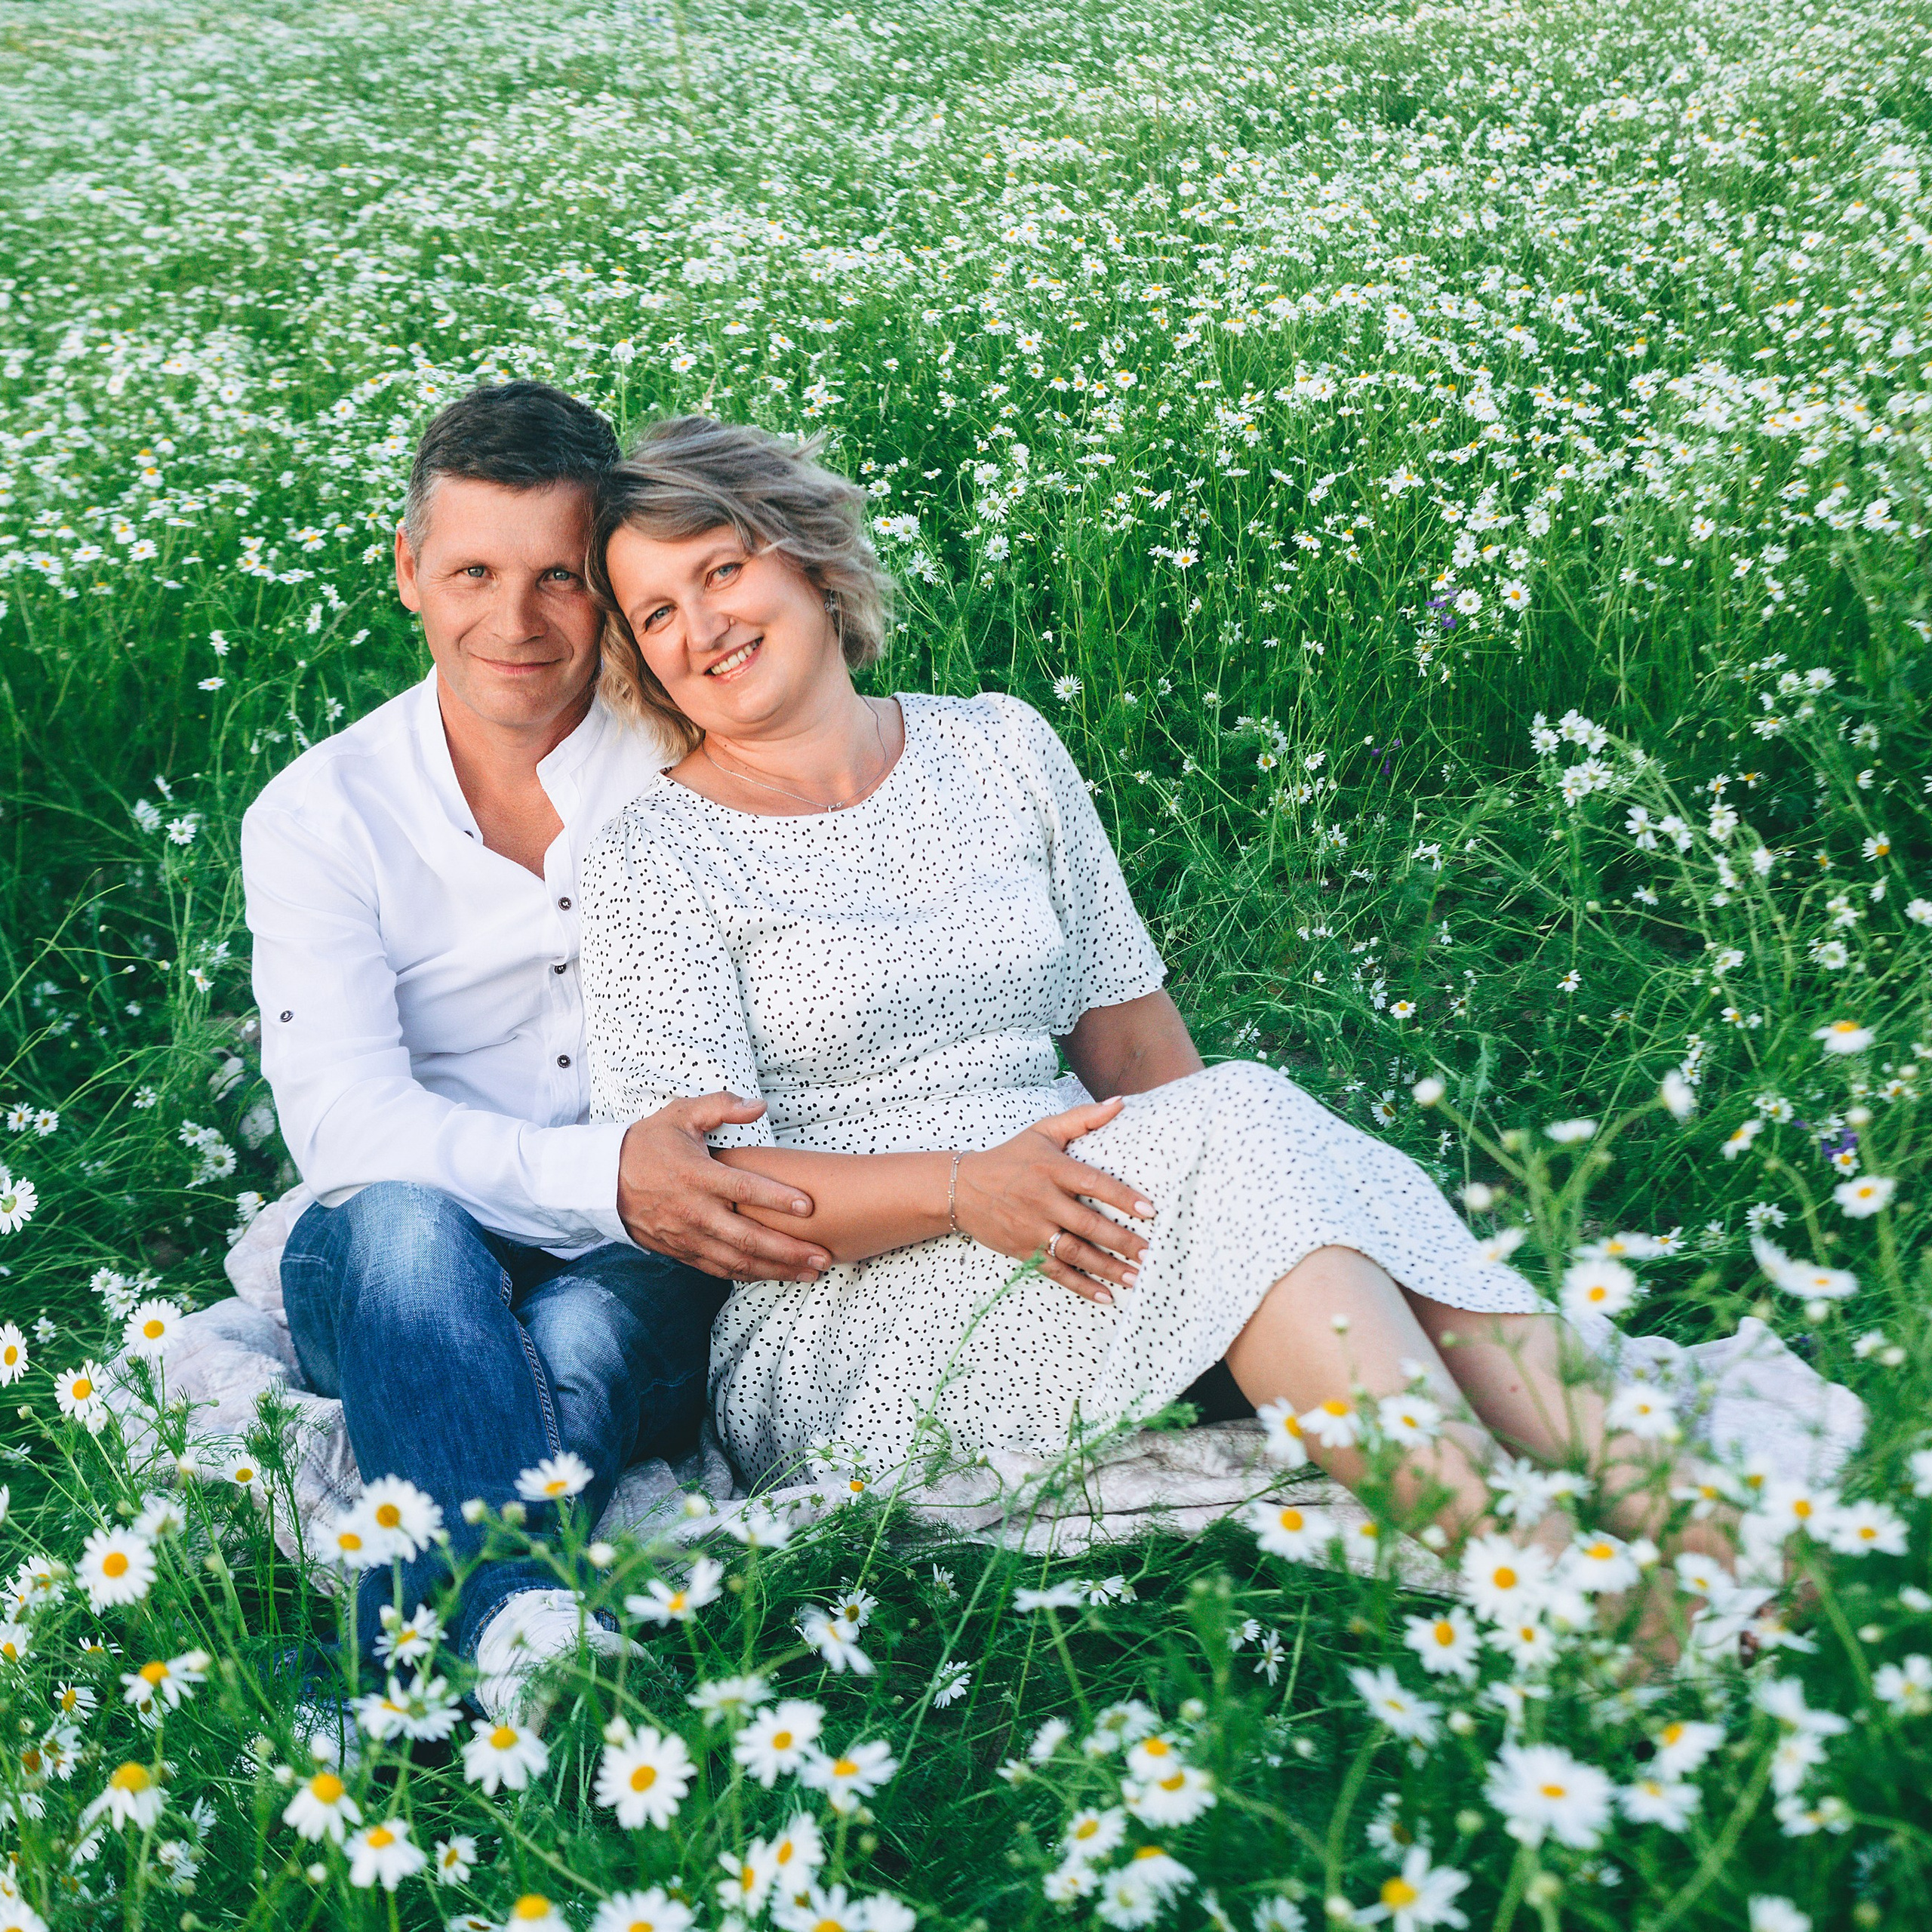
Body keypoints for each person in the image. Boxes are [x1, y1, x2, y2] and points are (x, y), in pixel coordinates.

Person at [575, 414, 1740, 1595]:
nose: (703, 628)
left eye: (721, 570)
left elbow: (1131, 1041)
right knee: (1247, 1139)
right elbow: (721, 1203)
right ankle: (1567, 1575)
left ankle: (1652, 1504)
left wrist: (1225, 1221)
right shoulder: (654, 863)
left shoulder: (1000, 749)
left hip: (1080, 1216)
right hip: (846, 1323)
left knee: (1251, 1137)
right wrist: (968, 1190)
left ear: (811, 559)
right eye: (657, 614)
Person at [243, 382, 1146, 1721]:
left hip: (669, 1236)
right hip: (421, 1238)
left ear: (606, 597)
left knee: (586, 1341)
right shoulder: (321, 815)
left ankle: (417, 1673)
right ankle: (496, 1623)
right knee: (403, 1235)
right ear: (409, 575)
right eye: (474, 573)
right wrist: (610, 1173)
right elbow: (347, 1130)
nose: (515, 621)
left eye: (561, 579)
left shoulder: (688, 736)